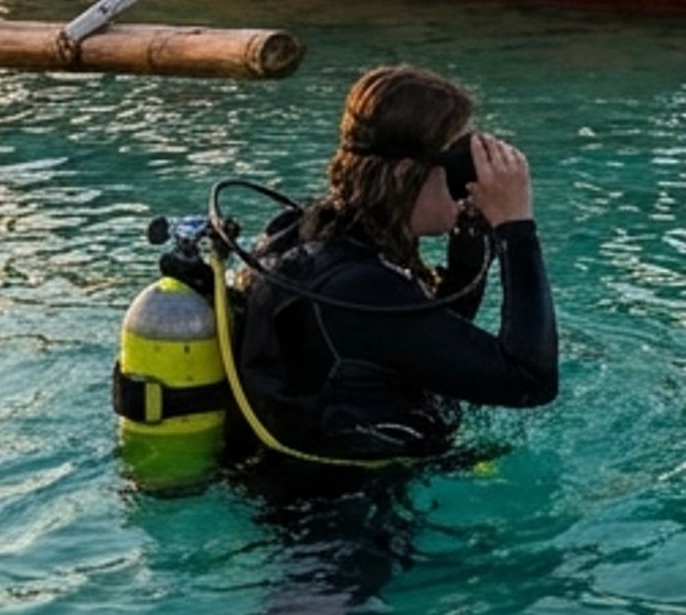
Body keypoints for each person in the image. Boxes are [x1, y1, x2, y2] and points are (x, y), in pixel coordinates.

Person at [230, 64, 559, 470]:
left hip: (312, 493)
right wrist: (517, 230)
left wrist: (468, 250)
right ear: (407, 173)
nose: (470, 178)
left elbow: (418, 346)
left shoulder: (301, 234)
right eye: (458, 164)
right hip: (343, 519)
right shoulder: (357, 289)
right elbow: (531, 380)